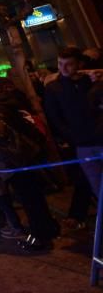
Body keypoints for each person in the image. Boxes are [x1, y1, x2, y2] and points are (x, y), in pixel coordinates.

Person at [0, 82, 57, 251]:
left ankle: (40, 237)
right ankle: (49, 229)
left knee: (28, 199)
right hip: (26, 154)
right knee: (35, 196)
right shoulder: (5, 103)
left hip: (11, 159)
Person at [44, 47, 101, 200]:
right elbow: (55, 118)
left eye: (68, 64)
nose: (63, 68)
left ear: (79, 64)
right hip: (83, 144)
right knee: (97, 184)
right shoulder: (54, 88)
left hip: (100, 137)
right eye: (60, 63)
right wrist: (72, 137)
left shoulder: (90, 82)